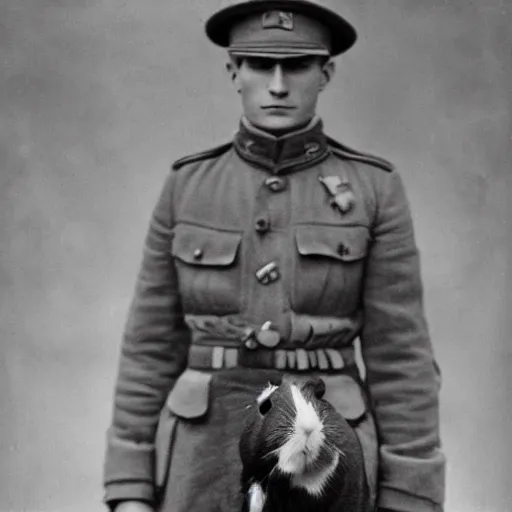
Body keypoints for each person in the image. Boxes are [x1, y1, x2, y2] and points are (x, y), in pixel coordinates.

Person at [102, 1, 446, 511]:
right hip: (200, 459)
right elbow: (148, 351)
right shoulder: (187, 187)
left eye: (298, 65)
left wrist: (409, 494)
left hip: (328, 457)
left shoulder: (374, 189)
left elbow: (403, 360)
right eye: (261, 65)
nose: (278, 85)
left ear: (325, 72)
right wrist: (128, 487)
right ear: (233, 72)